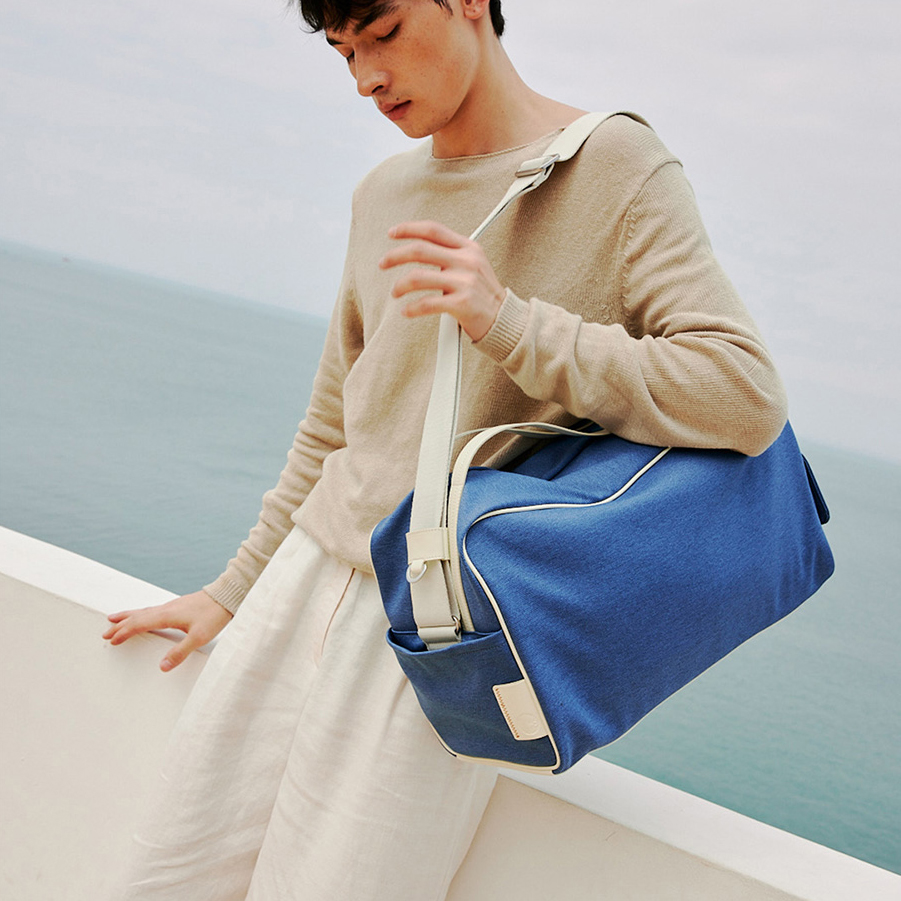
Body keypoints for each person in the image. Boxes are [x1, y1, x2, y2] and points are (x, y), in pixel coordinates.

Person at [103, 0, 788, 898]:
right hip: (298, 583)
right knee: (167, 875)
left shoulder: (613, 166)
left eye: (383, 33)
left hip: (437, 620)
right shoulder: (382, 193)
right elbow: (337, 419)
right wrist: (235, 590)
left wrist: (505, 321)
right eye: (344, 52)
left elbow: (742, 393)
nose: (366, 78)